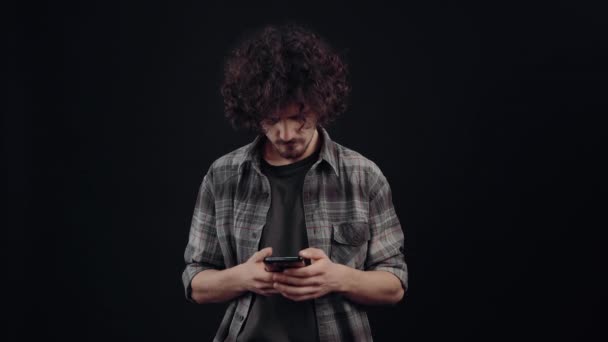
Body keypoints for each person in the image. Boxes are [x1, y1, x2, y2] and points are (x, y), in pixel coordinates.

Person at [182, 23, 408, 342]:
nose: (285, 134)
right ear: (252, 111)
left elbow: (395, 284)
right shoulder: (222, 177)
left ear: (321, 104)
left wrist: (336, 278)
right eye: (272, 120)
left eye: (298, 119)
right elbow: (195, 281)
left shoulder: (364, 176)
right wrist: (242, 277)